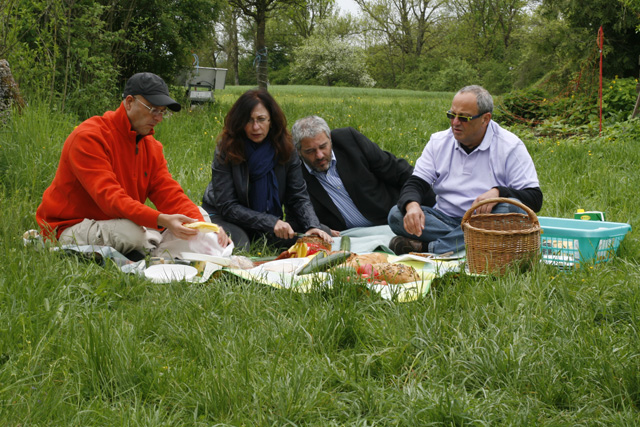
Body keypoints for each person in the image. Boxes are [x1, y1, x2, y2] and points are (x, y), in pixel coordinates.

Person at [36, 72, 230, 257]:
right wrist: (161, 220)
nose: (159, 118)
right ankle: (153, 245)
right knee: (131, 233)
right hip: (69, 226)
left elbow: (169, 193)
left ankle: (155, 249)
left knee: (198, 218)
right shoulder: (89, 137)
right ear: (129, 102)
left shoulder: (151, 146)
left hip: (121, 221)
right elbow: (111, 199)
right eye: (153, 109)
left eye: (163, 112)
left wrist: (206, 228)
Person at [388, 85, 543, 255]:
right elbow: (416, 183)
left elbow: (535, 198)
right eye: (452, 115)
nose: (455, 123)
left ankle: (429, 248)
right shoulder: (438, 142)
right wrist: (412, 206)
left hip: (486, 220)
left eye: (464, 118)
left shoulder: (510, 146)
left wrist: (499, 192)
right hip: (444, 220)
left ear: (485, 119)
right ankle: (472, 242)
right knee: (396, 214)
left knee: (511, 209)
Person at [201, 89, 331, 251]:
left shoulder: (286, 148)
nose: (256, 127)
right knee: (240, 246)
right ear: (240, 122)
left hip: (268, 219)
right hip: (225, 216)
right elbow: (227, 206)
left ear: (271, 120)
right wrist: (270, 222)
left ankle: (267, 236)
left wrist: (311, 225)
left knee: (320, 233)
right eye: (249, 120)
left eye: (261, 119)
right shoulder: (227, 148)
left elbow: (298, 196)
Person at [291, 115, 435, 236]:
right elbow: (297, 217)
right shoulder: (295, 172)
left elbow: (400, 172)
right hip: (349, 237)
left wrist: (421, 203)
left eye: (323, 146)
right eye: (310, 151)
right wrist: (322, 228)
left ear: (330, 138)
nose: (319, 155)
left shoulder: (349, 140)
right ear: (298, 151)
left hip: (391, 220)